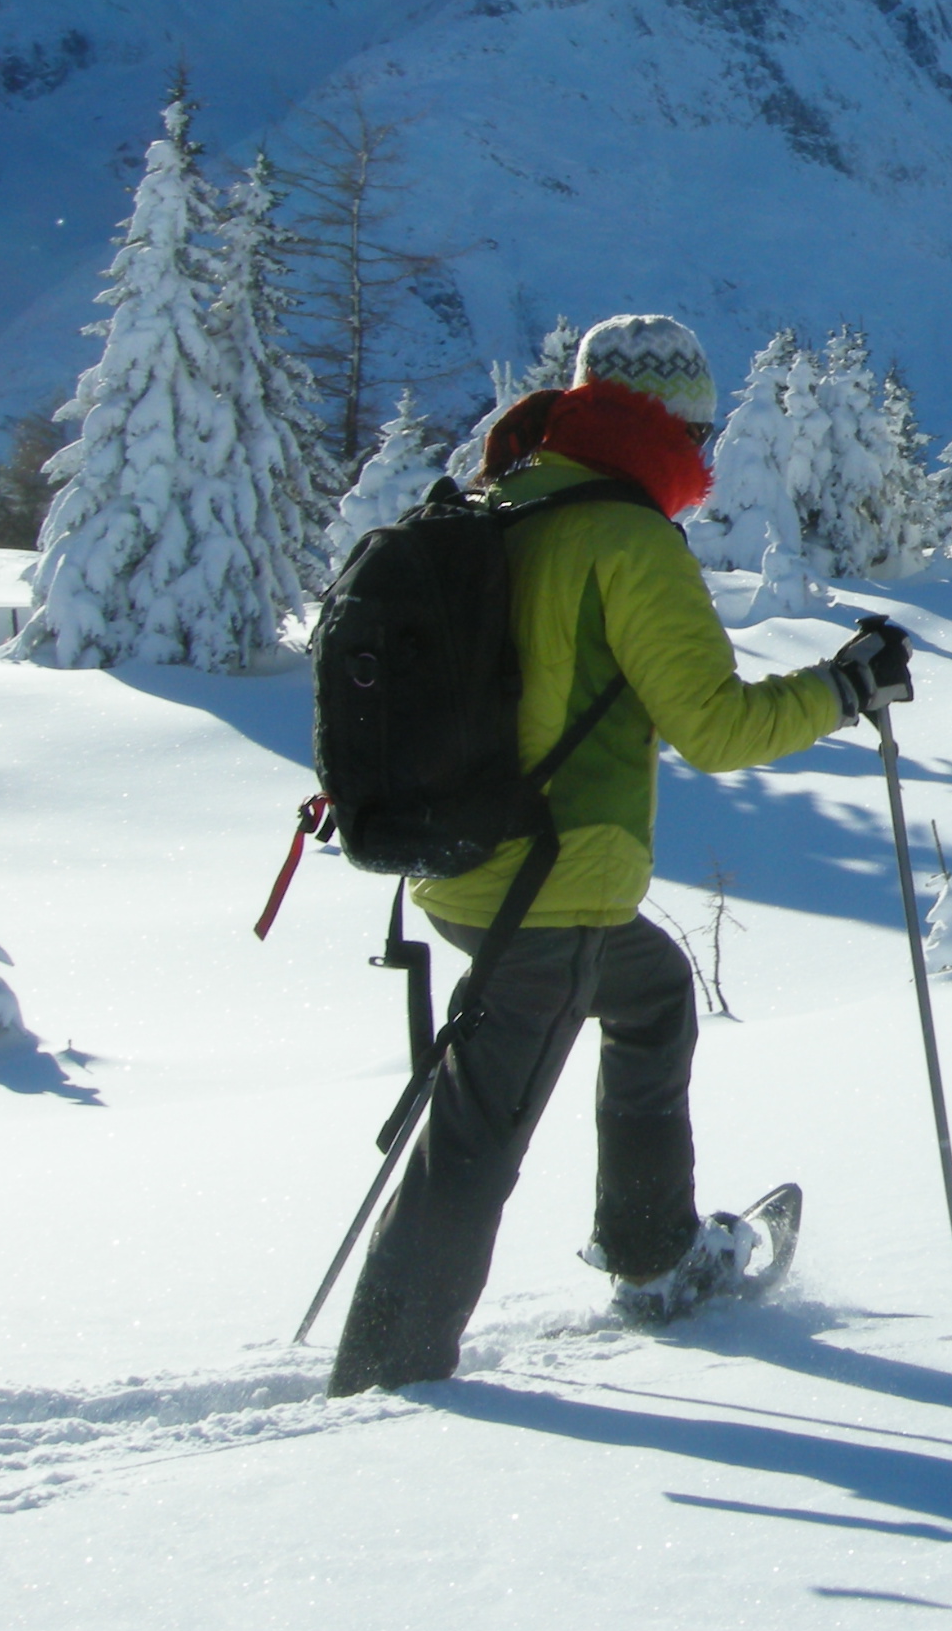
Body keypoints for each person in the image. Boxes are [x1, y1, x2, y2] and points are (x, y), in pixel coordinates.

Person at [329, 314, 911, 1396]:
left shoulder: (508, 500)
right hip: (552, 892)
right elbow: (718, 728)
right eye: (696, 428)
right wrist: (845, 688)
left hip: (463, 871)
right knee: (477, 1135)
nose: (702, 450)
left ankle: (651, 1250)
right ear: (670, 424)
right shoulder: (628, 540)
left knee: (652, 992)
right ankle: (388, 1379)